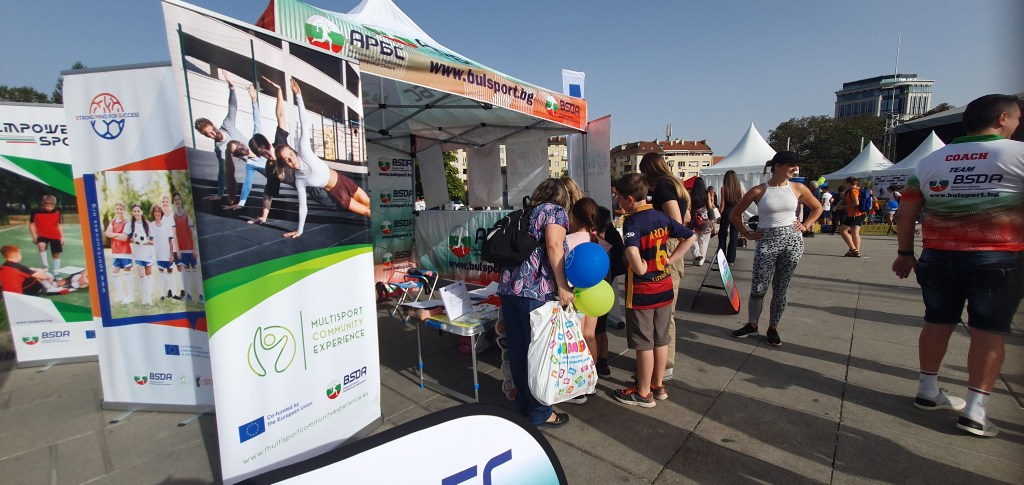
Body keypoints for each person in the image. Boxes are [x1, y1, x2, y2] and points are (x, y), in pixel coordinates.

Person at [892, 94, 1023, 438]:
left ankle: (927, 389)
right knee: (989, 331)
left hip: (938, 256)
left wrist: (905, 253)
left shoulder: (930, 162)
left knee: (937, 321)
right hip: (998, 257)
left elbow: (905, 213)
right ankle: (976, 410)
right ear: (1003, 118)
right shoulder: (1018, 154)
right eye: (1017, 118)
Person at [498, 177, 578, 428]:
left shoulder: (524, 212)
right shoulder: (554, 211)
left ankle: (522, 405)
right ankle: (541, 412)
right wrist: (563, 285)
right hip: (536, 293)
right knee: (541, 355)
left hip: (509, 290)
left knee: (519, 352)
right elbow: (554, 245)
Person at [613, 174, 695, 407]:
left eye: (619, 197)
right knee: (661, 339)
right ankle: (658, 385)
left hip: (643, 292)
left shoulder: (632, 222)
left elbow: (631, 250)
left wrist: (640, 269)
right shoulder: (661, 216)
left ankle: (643, 391)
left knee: (643, 343)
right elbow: (690, 236)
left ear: (629, 199)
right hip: (664, 287)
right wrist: (671, 259)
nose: (617, 202)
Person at [730, 151, 822, 346]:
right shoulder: (758, 190)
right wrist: (746, 234)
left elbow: (818, 207)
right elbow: (735, 215)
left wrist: (805, 225)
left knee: (781, 287)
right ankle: (752, 324)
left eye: (795, 165)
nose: (794, 168)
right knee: (759, 286)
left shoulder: (797, 187)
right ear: (777, 166)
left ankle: (773, 327)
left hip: (792, 242)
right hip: (766, 241)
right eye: (790, 165)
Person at [275, 79, 372, 238]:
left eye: (290, 155)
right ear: (284, 164)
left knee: (370, 204)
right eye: (287, 160)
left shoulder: (304, 150)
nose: (291, 160)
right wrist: (300, 230)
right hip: (338, 194)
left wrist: (298, 96)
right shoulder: (300, 180)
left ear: (293, 151)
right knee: (368, 212)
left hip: (344, 181)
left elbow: (304, 123)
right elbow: (303, 207)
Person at [638, 153, 689, 381]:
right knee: (665, 311)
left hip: (665, 248)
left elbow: (676, 220)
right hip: (671, 248)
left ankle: (663, 367)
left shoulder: (663, 187)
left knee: (663, 312)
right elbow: (685, 216)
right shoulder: (676, 185)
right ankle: (660, 366)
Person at [566, 197, 609, 391]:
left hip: (574, 296)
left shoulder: (567, 240)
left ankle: (579, 380)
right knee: (590, 335)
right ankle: (592, 379)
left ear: (574, 217)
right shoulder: (599, 242)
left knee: (576, 339)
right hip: (595, 295)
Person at [193, 72, 247, 203]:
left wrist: (232, 87)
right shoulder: (219, 148)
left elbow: (233, 107)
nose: (213, 134)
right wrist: (220, 193)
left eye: (212, 130)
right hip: (253, 161)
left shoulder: (227, 124)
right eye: (208, 134)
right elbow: (222, 172)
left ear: (213, 125)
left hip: (260, 149)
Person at [224, 84, 269, 210]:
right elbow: (247, 184)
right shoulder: (250, 164)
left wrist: (254, 100)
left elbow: (257, 121)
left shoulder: (255, 141)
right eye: (238, 150)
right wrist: (241, 203)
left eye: (240, 145)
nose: (242, 148)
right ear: (239, 155)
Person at [593, 205, 625, 377]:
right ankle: (603, 362)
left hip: (594, 291)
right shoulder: (612, 238)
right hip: (605, 290)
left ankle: (594, 364)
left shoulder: (598, 243)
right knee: (600, 329)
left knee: (591, 332)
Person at [0, 245, 83, 295]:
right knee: (39, 275)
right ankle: (51, 289)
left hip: (8, 294)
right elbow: (42, 276)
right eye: (20, 254)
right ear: (15, 255)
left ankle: (52, 285)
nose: (21, 256)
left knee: (33, 272)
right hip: (22, 293)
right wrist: (47, 277)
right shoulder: (19, 267)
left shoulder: (3, 267)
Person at [172, 192, 203, 304]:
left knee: (195, 272)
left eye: (178, 199)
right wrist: (178, 250)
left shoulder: (187, 215)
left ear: (181, 200)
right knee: (186, 273)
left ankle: (201, 295)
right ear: (174, 202)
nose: (177, 201)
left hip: (190, 248)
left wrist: (195, 248)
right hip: (182, 250)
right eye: (175, 200)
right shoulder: (173, 217)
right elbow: (174, 235)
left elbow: (192, 232)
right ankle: (189, 295)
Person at [104, 202, 134, 304]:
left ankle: (130, 297)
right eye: (117, 209)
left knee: (127, 273)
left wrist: (113, 234)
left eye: (121, 209)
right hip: (116, 252)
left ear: (124, 211)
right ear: (115, 210)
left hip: (125, 252)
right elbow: (107, 233)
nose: (119, 211)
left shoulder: (127, 223)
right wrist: (118, 235)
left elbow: (124, 238)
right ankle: (120, 296)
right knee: (114, 273)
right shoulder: (113, 221)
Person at [126, 203, 155, 306]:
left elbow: (153, 241)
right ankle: (144, 299)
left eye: (138, 211)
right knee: (141, 276)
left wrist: (145, 241)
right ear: (132, 213)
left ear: (142, 212)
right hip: (137, 254)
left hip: (148, 254)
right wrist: (136, 240)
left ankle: (149, 299)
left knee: (149, 275)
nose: (136, 213)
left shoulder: (147, 224)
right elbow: (128, 239)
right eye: (134, 211)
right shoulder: (130, 225)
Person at [149, 205, 177, 301]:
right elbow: (151, 241)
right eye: (155, 212)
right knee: (160, 273)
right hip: (158, 255)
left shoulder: (166, 226)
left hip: (167, 254)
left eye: (158, 211)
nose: (157, 213)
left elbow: (170, 241)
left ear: (161, 213)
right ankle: (162, 295)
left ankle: (174, 294)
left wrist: (172, 255)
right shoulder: (151, 226)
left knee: (170, 272)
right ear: (153, 213)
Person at [29, 194, 63, 272]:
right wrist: (34, 236)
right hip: (42, 234)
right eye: (48, 206)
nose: (50, 208)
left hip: (55, 234)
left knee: (56, 254)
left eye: (52, 206)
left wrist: (62, 237)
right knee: (41, 245)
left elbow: (58, 225)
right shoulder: (35, 211)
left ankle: (56, 273)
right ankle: (45, 267)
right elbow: (32, 224)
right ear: (43, 204)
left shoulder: (57, 211)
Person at [717, 170, 743, 264]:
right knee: (734, 236)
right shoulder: (739, 189)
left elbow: (722, 204)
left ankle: (721, 257)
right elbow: (741, 204)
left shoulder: (724, 188)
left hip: (727, 212)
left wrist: (719, 215)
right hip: (736, 212)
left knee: (722, 235)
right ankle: (731, 259)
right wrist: (741, 218)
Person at [687, 177, 714, 265]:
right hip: (705, 221)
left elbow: (689, 208)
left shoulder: (690, 194)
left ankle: (697, 255)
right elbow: (710, 207)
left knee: (692, 239)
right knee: (704, 242)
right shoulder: (707, 194)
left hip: (694, 220)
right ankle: (700, 261)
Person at [839, 176, 865, 256]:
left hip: (853, 214)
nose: (845, 185)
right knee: (855, 232)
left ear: (849, 183)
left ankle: (853, 249)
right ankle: (856, 251)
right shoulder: (859, 190)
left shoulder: (853, 191)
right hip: (860, 213)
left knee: (843, 230)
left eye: (846, 183)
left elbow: (856, 203)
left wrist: (843, 207)